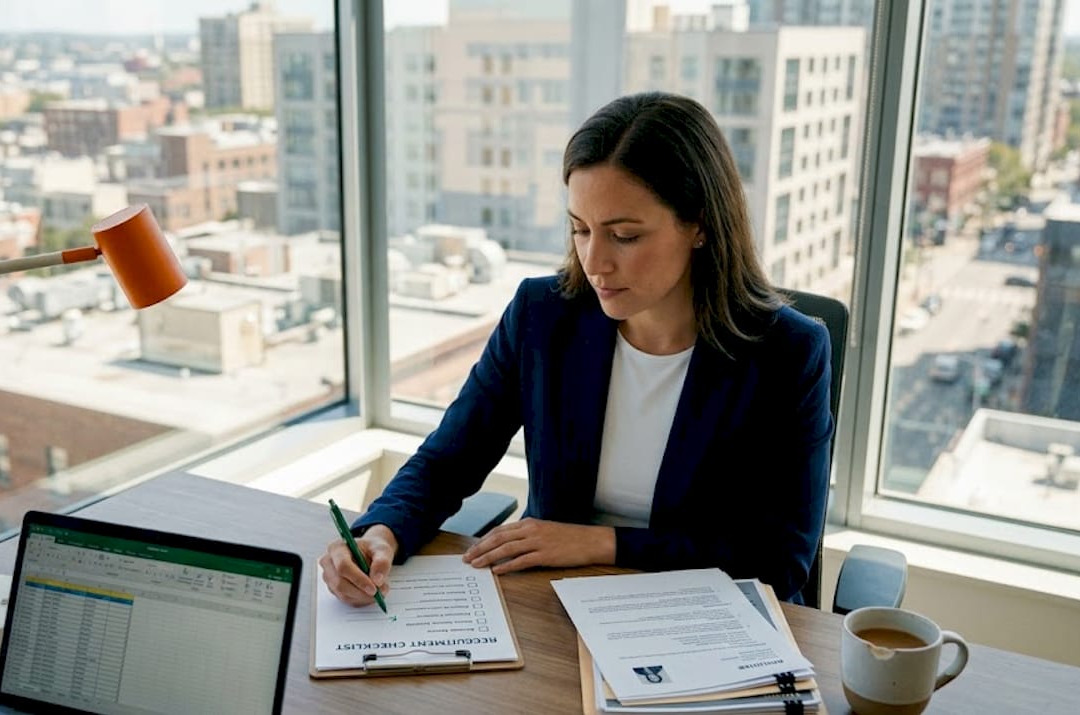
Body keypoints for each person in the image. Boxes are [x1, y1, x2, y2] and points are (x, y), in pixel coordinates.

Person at [321, 92, 833, 607]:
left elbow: (779, 559)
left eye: (624, 236)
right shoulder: (542, 316)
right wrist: (383, 530)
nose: (595, 261)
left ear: (698, 224)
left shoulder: (788, 353)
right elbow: (448, 460)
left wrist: (600, 543)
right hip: (556, 608)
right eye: (580, 229)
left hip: (704, 619)